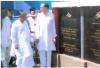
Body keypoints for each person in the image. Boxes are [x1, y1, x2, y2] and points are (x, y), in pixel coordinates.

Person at [35, 3, 57, 68]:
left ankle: (48, 66)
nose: (40, 9)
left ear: (46, 8)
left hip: (49, 37)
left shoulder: (51, 15)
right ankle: (42, 66)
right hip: (41, 38)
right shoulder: (39, 16)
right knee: (41, 53)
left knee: (49, 53)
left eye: (41, 7)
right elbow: (37, 27)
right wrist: (37, 37)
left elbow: (53, 27)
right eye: (40, 7)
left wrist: (54, 37)